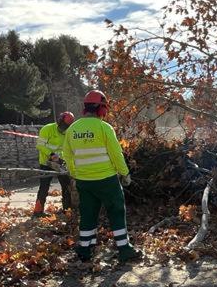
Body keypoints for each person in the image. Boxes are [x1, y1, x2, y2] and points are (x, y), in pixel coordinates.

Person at [62, 90, 142, 264]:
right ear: (100, 108)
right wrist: (125, 173)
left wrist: (76, 174)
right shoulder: (104, 127)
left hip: (84, 181)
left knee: (88, 214)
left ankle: (85, 249)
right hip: (107, 180)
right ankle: (124, 249)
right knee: (117, 211)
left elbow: (67, 155)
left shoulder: (72, 129)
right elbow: (116, 154)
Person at [32, 111, 76, 217]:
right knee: (44, 187)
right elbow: (40, 145)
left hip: (61, 163)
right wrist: (51, 155)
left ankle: (67, 209)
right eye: (63, 126)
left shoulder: (68, 132)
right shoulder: (47, 129)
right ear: (59, 122)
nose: (64, 128)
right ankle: (38, 212)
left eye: (67, 127)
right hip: (46, 163)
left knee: (66, 186)